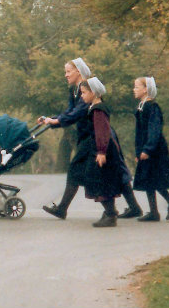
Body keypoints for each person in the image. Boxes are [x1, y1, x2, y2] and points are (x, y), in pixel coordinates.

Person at [38, 58, 93, 219]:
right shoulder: (73, 90)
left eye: (68, 71)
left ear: (78, 72)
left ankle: (62, 209)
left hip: (96, 136)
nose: (66, 75)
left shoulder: (87, 88)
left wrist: (57, 121)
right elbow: (69, 112)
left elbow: (79, 112)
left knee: (76, 170)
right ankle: (62, 208)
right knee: (81, 172)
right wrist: (51, 119)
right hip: (85, 136)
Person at [131, 77, 169, 221]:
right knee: (149, 179)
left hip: (155, 150)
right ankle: (155, 211)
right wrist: (138, 151)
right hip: (146, 149)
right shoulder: (141, 106)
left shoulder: (152, 107)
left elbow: (154, 130)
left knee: (153, 178)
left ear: (146, 89)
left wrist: (148, 149)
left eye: (136, 87)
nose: (134, 89)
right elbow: (139, 133)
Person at [79, 78, 125, 227]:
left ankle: (111, 214)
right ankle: (110, 212)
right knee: (101, 181)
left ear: (93, 92)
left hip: (103, 151)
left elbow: (102, 131)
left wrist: (101, 151)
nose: (82, 96)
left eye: (84, 92)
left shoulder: (98, 109)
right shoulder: (94, 107)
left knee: (100, 181)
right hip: (100, 149)